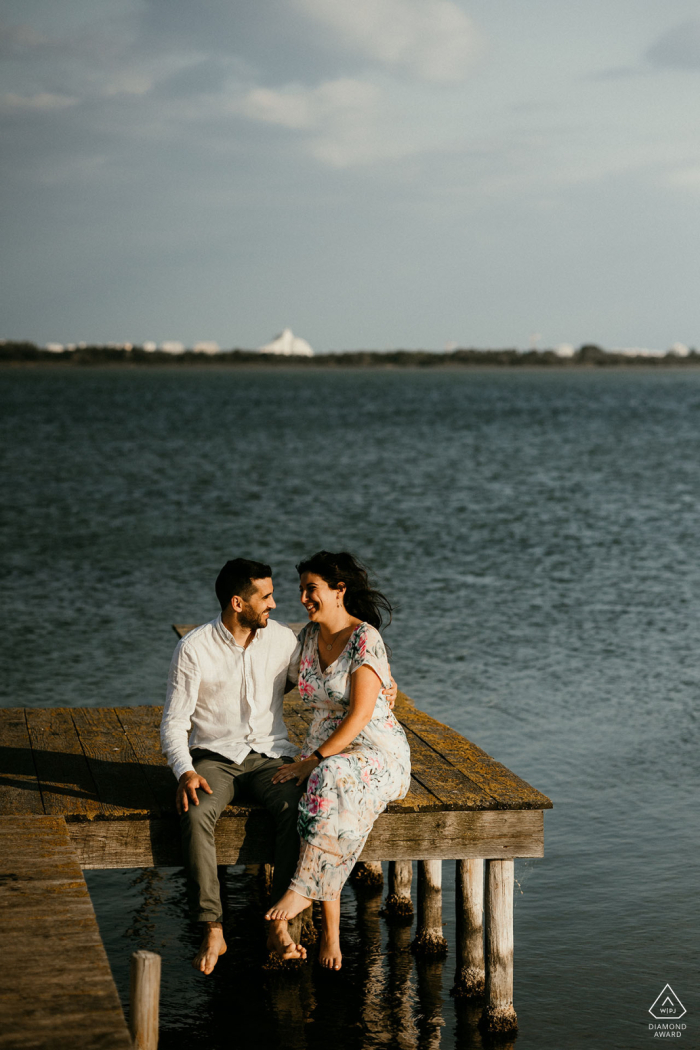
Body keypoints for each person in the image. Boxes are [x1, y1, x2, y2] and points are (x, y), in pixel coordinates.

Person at [265, 551, 411, 971]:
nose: (303, 598)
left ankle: (300, 892)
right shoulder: (308, 638)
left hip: (376, 753)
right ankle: (329, 928)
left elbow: (361, 714)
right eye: (301, 590)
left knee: (326, 777)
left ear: (339, 590)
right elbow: (274, 684)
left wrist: (312, 760)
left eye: (311, 589)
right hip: (327, 755)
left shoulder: (366, 639)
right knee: (317, 799)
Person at [160, 558, 307, 973]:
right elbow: (173, 721)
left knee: (296, 809)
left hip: (269, 756)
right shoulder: (194, 647)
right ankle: (212, 927)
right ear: (238, 602)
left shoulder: (281, 640)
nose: (275, 605)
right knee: (195, 811)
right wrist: (185, 771)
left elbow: (318, 676)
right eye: (266, 597)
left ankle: (280, 924)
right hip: (213, 758)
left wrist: (380, 681)